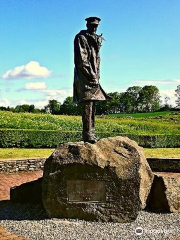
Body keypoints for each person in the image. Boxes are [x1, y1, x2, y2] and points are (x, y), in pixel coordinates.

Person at [73, 17, 111, 143]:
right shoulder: (81, 38)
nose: (94, 28)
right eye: (92, 25)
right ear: (87, 25)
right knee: (87, 103)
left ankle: (91, 132)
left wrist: (96, 75)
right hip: (85, 76)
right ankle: (87, 133)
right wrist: (91, 75)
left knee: (93, 103)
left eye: (96, 26)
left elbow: (96, 59)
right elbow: (81, 61)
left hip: (94, 76)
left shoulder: (95, 39)